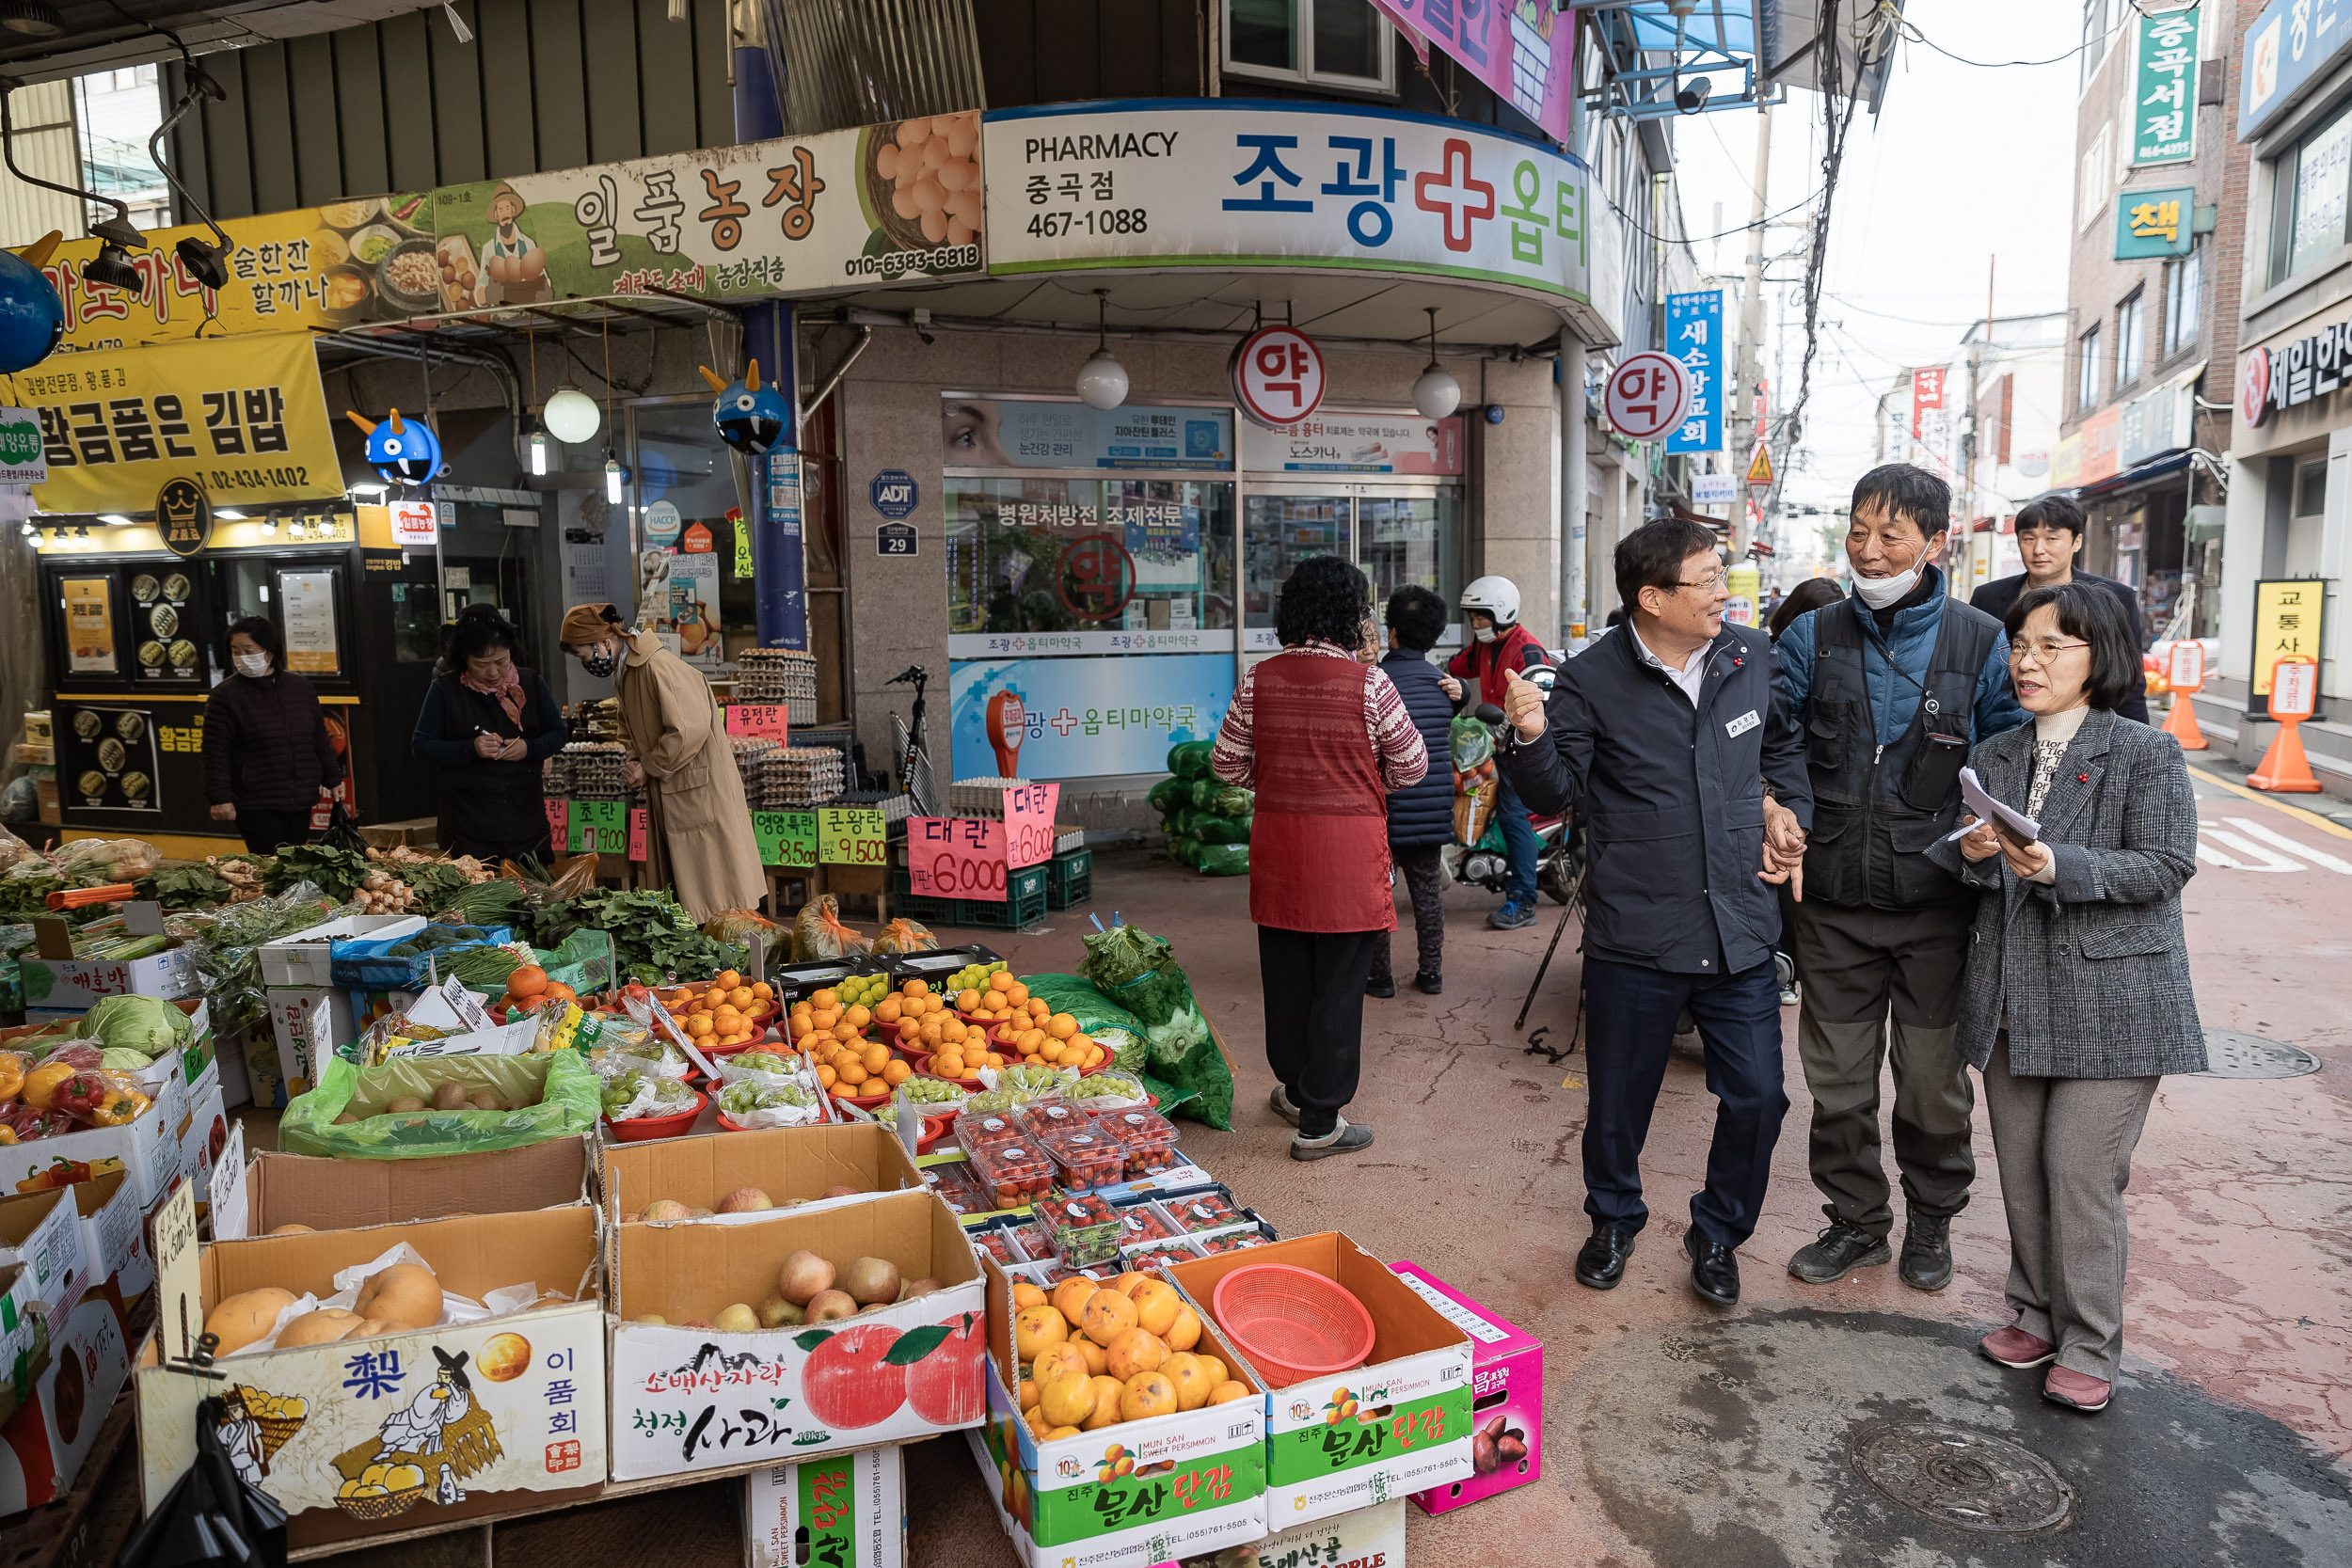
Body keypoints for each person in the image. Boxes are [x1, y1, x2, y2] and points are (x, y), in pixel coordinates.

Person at [1499, 519, 1811, 1307]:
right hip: (1636, 931)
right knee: (1618, 1100)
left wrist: (1783, 807)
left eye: (1722, 575)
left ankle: (1718, 1232)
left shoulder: (1751, 657)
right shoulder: (1592, 679)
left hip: (1738, 924)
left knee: (1759, 1095)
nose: (1723, 592)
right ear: (1651, 598)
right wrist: (1530, 733)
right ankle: (1612, 1218)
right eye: (1706, 579)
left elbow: (1781, 753)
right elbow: (1556, 792)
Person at [1929, 582, 2202, 1413]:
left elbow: (2165, 864)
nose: (2027, 661)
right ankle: (2036, 1312)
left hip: (2114, 1001)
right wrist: (1973, 846)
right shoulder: (2003, 752)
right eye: (2021, 646)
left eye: (2052, 646)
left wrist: (2060, 865)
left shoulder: (2145, 753)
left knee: (2078, 1168)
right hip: (2015, 994)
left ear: (2101, 656)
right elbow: (1972, 864)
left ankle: (2089, 1342)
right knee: (2021, 1167)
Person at [1773, 464, 2028, 1294]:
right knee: (1838, 1085)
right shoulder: (1811, 636)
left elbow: (2011, 754)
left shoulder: (1980, 640)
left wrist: (1991, 829)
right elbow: (1775, 746)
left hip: (1938, 908)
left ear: (1935, 541)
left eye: (1890, 535)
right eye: (1857, 531)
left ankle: (1930, 1221)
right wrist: (1780, 809)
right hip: (1833, 903)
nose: (1870, 550)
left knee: (1931, 1087)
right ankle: (1855, 1222)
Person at [1211, 555, 1428, 1161]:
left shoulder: (1260, 678)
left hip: (1279, 848)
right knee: (1337, 986)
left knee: (1284, 978)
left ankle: (1293, 1087)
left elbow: (1226, 762)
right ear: (1351, 615)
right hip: (1348, 855)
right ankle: (1319, 1122)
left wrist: (1279, 780)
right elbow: (1411, 767)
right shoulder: (1370, 683)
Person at [559, 602, 764, 921]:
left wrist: (648, 764)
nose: (584, 662)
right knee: (692, 891)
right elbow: (627, 728)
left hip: (697, 790)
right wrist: (633, 760)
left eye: (583, 654)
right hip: (676, 787)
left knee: (717, 894)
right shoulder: (626, 673)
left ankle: (731, 961)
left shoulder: (656, 667)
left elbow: (687, 729)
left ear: (602, 642)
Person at [1970, 494, 2149, 725]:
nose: (2038, 549)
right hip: (2002, 725)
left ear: (2077, 541)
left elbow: (2128, 677)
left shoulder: (2115, 597)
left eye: (2052, 538)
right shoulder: (1988, 598)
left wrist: (2138, 740)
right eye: (2028, 538)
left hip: (2087, 725)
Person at [410, 605, 564, 863]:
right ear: (464, 659)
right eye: (481, 664)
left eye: (501, 661)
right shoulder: (445, 690)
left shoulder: (531, 683)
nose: (493, 672)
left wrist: (529, 748)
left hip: (526, 823)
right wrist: (471, 748)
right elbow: (422, 747)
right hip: (467, 829)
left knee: (536, 897)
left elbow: (558, 734)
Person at [1445, 576, 1551, 930]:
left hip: (1520, 751)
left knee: (1511, 816)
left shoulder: (1528, 651)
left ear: (1502, 613)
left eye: (1482, 617)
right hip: (1492, 744)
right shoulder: (1483, 647)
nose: (1476, 625)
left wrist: (1512, 726)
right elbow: (1454, 667)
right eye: (1472, 618)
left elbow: (1544, 702)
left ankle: (1523, 901)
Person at [1763, 580, 1847, 1005]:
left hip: (1817, 781)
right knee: (1782, 873)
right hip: (1784, 781)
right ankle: (1780, 963)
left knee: (1795, 876)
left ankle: (1787, 966)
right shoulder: (1766, 655)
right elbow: (1776, 736)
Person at [1369, 585, 1454, 1000]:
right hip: (1432, 811)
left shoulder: (1375, 682)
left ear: (1392, 633)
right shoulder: (1446, 687)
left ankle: (1380, 978)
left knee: (1378, 896)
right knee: (1428, 896)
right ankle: (1431, 974)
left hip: (1384, 812)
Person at [202, 616, 341, 856]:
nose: (242, 657)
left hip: (301, 796)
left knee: (295, 861)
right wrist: (220, 797)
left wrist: (333, 778)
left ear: (270, 650)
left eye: (249, 650)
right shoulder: (225, 696)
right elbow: (215, 752)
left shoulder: (300, 687)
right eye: (236, 651)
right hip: (255, 800)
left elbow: (319, 737)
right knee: (272, 863)